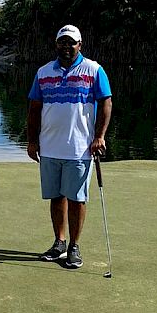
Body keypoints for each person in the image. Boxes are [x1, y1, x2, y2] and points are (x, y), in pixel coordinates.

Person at [26, 24, 112, 268]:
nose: (66, 46)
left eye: (71, 42)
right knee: (56, 197)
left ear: (80, 45)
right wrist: (32, 141)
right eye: (62, 42)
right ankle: (59, 243)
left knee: (76, 199)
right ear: (57, 44)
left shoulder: (93, 70)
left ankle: (74, 246)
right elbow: (34, 108)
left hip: (80, 148)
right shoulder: (43, 72)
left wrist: (100, 136)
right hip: (50, 147)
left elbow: (106, 102)